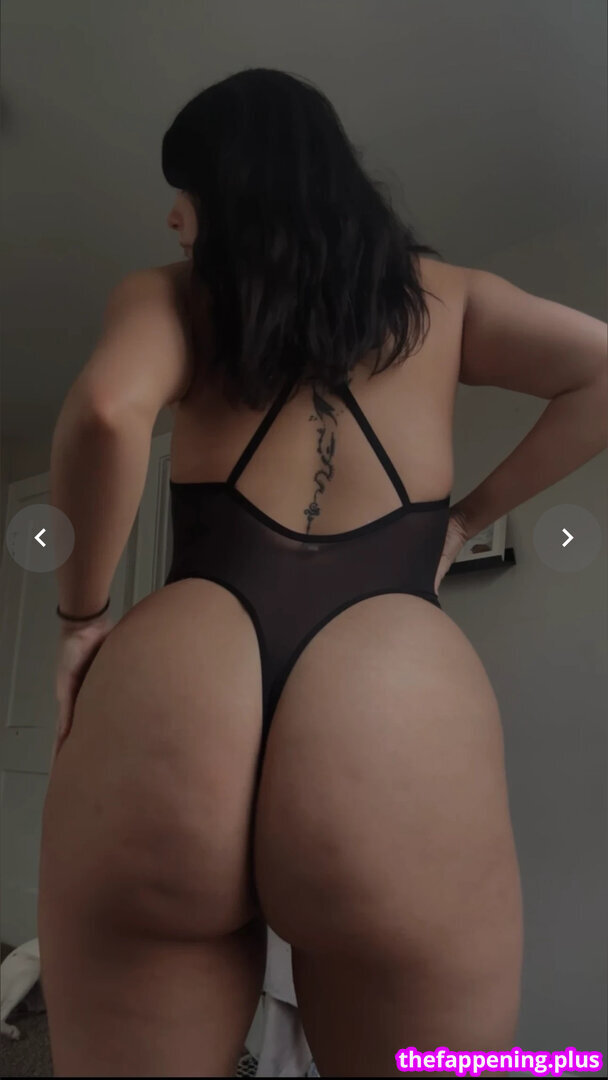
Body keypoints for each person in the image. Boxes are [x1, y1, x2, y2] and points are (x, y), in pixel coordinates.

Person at [37, 68, 607, 1078]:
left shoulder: (168, 296)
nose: (172, 217)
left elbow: (107, 414)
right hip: (391, 685)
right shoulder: (451, 296)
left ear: (232, 189)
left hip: (183, 672)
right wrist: (466, 518)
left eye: (185, 191)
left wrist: (81, 617)